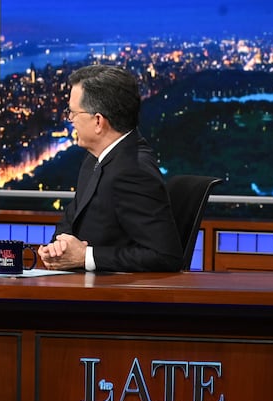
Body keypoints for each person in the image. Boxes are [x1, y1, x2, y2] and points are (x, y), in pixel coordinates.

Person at [37, 65, 183, 272]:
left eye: (73, 112)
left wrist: (85, 256)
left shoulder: (134, 171)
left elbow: (166, 256)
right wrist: (57, 249)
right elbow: (70, 221)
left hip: (115, 296)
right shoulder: (94, 158)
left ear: (98, 121)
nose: (70, 119)